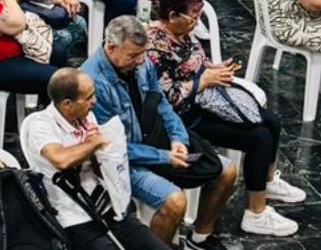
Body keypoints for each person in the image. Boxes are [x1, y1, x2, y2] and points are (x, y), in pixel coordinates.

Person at [147, 0, 306, 238]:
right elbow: (166, 97)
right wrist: (203, 81)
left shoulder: (184, 31)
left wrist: (216, 68)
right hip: (184, 116)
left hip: (205, 99)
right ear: (173, 16)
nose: (196, 22)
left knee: (272, 122)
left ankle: (266, 183)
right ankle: (256, 213)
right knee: (258, 137)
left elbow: (196, 61)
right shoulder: (155, 46)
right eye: (193, 17)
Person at [82, 16, 239, 248]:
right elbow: (108, 146)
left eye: (142, 54)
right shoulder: (92, 83)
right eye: (133, 56)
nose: (140, 61)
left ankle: (200, 239)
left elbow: (162, 103)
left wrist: (178, 138)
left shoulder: (141, 62)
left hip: (154, 138)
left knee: (227, 172)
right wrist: (163, 156)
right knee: (175, 202)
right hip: (123, 160)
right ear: (111, 47)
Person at [22, 68, 172, 250]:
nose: (94, 101)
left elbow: (101, 167)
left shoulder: (86, 116)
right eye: (88, 97)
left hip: (106, 206)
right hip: (73, 218)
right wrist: (93, 144)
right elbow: (61, 159)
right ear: (67, 104)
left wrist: (103, 153)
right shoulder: (41, 125)